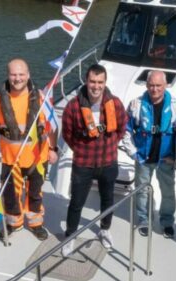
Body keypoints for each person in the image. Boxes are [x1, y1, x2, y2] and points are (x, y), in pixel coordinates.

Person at [0, 58, 57, 241]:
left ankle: (35, 223)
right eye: (13, 74)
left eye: (21, 74)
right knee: (10, 195)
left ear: (28, 75)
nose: (17, 78)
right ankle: (14, 223)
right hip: (11, 160)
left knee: (35, 193)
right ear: (8, 75)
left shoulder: (41, 98)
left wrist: (53, 148)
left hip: (37, 158)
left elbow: (51, 126)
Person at [61, 64, 128, 256]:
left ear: (105, 83)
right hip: (83, 163)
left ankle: (104, 229)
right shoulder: (73, 106)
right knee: (76, 202)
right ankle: (70, 235)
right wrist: (81, 148)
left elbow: (122, 126)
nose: (96, 86)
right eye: (92, 81)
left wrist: (112, 143)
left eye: (100, 82)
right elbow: (67, 134)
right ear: (86, 81)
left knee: (107, 199)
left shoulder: (114, 104)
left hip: (108, 161)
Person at [121, 70, 176, 238]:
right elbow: (126, 131)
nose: (154, 89)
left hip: (166, 159)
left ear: (165, 85)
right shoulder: (136, 105)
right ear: (146, 85)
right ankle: (143, 219)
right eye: (151, 85)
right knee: (142, 191)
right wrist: (134, 154)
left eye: (158, 85)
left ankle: (167, 221)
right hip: (144, 158)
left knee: (168, 192)